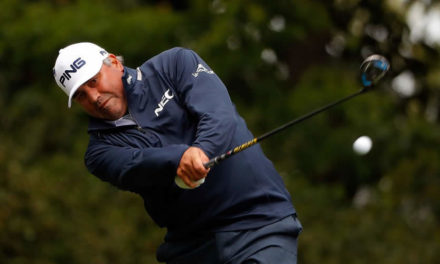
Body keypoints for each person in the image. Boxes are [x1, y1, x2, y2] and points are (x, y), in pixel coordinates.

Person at [53, 42, 302, 264]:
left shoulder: (174, 64)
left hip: (260, 220)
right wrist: (180, 158)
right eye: (81, 96)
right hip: (191, 247)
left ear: (115, 64)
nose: (94, 97)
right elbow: (138, 164)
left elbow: (218, 115)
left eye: (93, 82)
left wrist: (202, 150)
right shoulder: (99, 152)